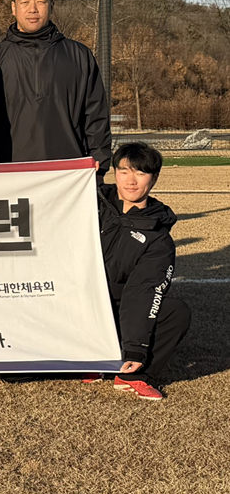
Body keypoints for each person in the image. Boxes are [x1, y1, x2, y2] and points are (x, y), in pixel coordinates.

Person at [0, 0, 111, 169]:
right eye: (25, 1)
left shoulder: (79, 56)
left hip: (67, 171)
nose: (32, 9)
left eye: (40, 1)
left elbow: (96, 116)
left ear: (52, 6)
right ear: (13, 8)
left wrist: (99, 166)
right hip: (9, 171)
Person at [94, 142, 190, 400]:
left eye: (140, 173)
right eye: (124, 171)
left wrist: (135, 349)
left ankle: (132, 375)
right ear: (114, 172)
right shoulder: (90, 203)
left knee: (175, 312)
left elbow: (144, 290)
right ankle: (88, 362)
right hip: (74, 303)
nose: (131, 180)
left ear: (154, 178)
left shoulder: (158, 237)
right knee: (17, 374)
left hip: (114, 310)